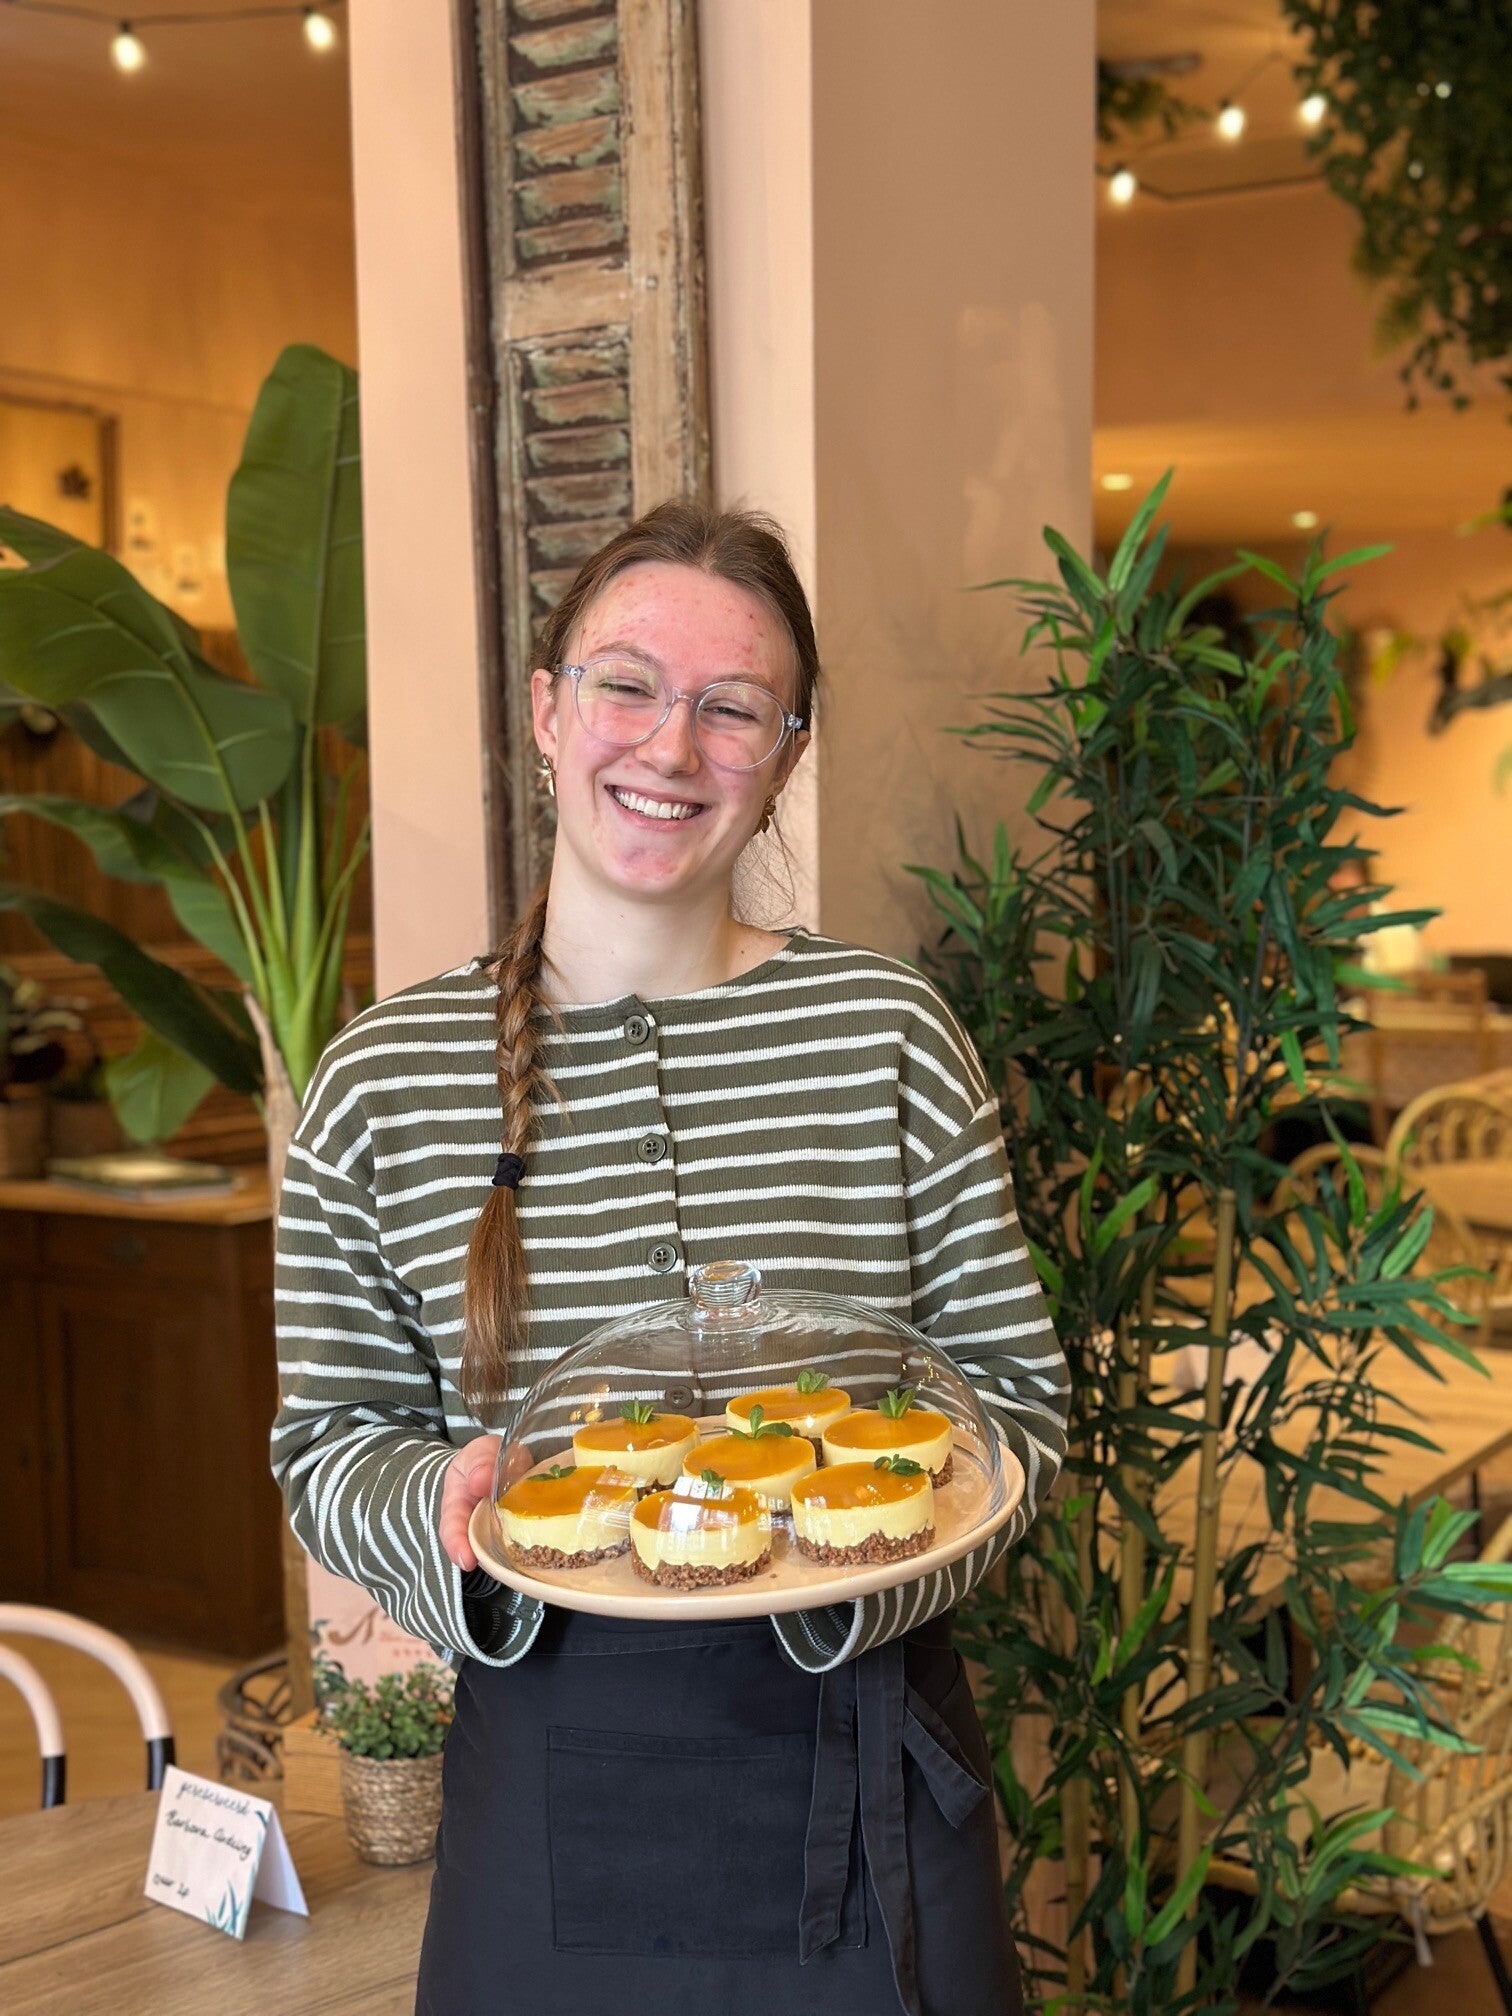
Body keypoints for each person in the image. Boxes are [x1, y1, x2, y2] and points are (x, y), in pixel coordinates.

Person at [271, 501, 1070, 2016]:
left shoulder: (887, 1038)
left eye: (734, 707)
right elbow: (325, 1444)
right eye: (627, 685)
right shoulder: (382, 1081)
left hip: (871, 1764)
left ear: (786, 754)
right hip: (545, 1791)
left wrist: (867, 1547)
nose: (671, 744)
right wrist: (437, 1508)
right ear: (548, 710)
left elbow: (1017, 1406)